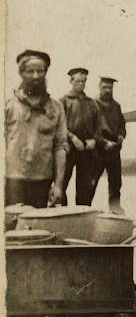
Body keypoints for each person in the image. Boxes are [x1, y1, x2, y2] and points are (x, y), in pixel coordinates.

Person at [5, 50, 68, 215]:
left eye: (40, 71)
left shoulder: (56, 108)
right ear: (21, 73)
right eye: (30, 71)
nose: (35, 76)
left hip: (42, 181)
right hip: (12, 180)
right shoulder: (8, 106)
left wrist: (59, 186)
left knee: (36, 228)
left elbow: (60, 146)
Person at [59, 67, 104, 206]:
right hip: (68, 148)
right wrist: (72, 137)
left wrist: (94, 141)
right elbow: (59, 125)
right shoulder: (63, 101)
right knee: (61, 184)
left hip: (87, 150)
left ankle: (82, 216)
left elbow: (99, 125)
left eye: (83, 81)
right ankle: (63, 215)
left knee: (85, 188)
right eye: (78, 81)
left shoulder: (91, 103)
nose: (81, 84)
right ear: (71, 81)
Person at [95, 76, 127, 214]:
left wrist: (121, 135)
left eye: (110, 88)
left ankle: (115, 208)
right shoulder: (93, 104)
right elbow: (90, 128)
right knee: (91, 182)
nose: (108, 90)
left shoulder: (116, 106)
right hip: (98, 149)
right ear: (99, 87)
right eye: (105, 87)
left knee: (115, 181)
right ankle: (86, 208)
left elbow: (122, 124)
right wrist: (102, 142)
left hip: (113, 148)